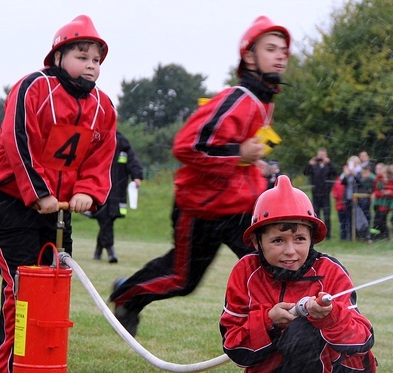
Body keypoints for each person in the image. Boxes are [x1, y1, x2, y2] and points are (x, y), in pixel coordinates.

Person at [109, 16, 290, 337]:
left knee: (270, 269)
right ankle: (126, 295)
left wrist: (251, 164)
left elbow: (233, 148)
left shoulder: (264, 101)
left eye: (284, 52)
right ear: (249, 57)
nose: (280, 56)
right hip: (199, 210)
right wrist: (238, 154)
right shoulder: (236, 98)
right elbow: (187, 145)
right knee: (182, 281)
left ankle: (278, 340)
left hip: (238, 210)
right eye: (271, 49)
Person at [205, 175, 376, 373]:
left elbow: (362, 338)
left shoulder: (330, 272)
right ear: (257, 241)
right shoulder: (244, 272)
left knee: (302, 333)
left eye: (299, 239)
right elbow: (235, 348)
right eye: (277, 241)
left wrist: (327, 317)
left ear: (311, 239)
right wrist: (267, 321)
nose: (290, 251)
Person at [0, 15, 117, 373]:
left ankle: (43, 362)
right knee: (22, 283)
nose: (91, 64)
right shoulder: (33, 88)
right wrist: (38, 192)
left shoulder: (104, 108)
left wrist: (88, 191)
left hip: (57, 208)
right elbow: (15, 139)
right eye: (82, 55)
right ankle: (15, 369)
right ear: (58, 56)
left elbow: (100, 158)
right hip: (9, 197)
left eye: (97, 60)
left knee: (54, 283)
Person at [92, 131, 143, 263]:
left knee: (108, 219)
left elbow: (132, 160)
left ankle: (99, 250)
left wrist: (136, 176)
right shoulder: (98, 138)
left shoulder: (122, 142)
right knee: (105, 218)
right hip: (99, 187)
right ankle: (110, 251)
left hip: (117, 190)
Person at [303, 147, 336, 239]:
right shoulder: (314, 166)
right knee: (316, 215)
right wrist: (309, 164)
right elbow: (305, 173)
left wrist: (329, 163)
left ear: (326, 156)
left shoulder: (328, 166)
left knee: (327, 214)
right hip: (316, 194)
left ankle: (328, 235)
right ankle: (316, 234)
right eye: (319, 155)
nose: (321, 157)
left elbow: (335, 172)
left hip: (325, 194)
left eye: (323, 155)